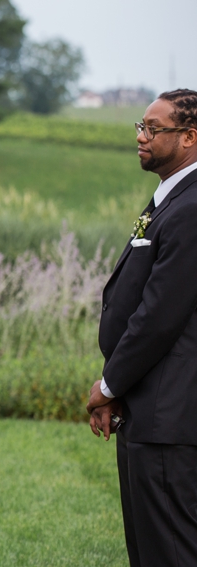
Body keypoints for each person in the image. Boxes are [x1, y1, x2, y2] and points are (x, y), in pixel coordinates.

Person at [86, 89, 197, 567]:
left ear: (190, 137)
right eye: (140, 125)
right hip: (148, 407)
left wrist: (109, 385)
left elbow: (159, 316)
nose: (141, 136)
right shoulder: (168, 199)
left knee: (170, 550)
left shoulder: (192, 209)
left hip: (170, 416)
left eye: (154, 129)